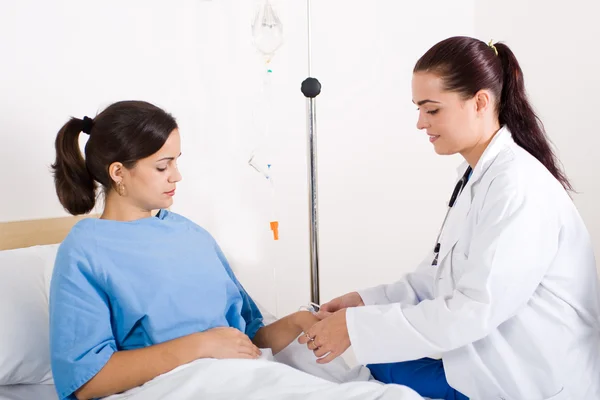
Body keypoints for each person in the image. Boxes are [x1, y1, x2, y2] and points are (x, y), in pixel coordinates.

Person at [299, 36, 600, 399]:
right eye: (418, 109)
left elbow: (473, 309)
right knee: (368, 359)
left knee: (363, 354)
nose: (420, 123)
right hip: (484, 364)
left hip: (529, 382)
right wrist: (364, 302)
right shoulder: (475, 178)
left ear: (480, 103)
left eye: (432, 109)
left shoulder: (518, 187)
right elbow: (437, 278)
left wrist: (355, 329)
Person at [49, 101, 320, 400]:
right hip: (176, 387)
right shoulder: (86, 251)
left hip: (250, 376)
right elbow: (87, 381)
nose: (176, 176)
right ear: (118, 172)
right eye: (163, 166)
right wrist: (200, 345)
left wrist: (297, 322)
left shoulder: (191, 235)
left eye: (176, 162)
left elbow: (248, 336)